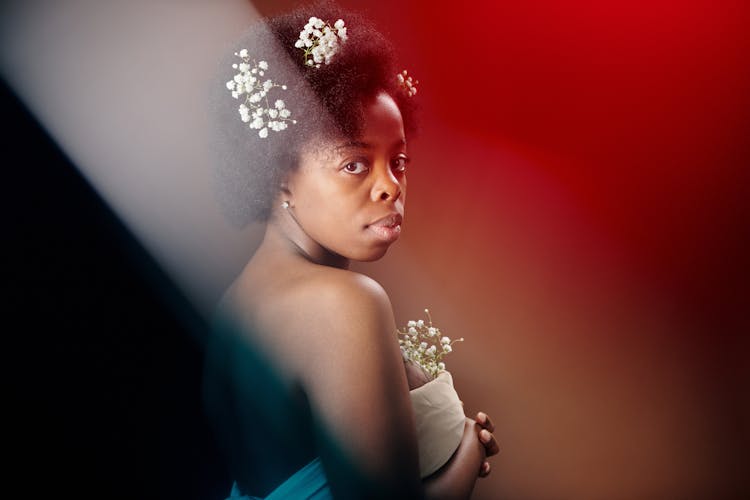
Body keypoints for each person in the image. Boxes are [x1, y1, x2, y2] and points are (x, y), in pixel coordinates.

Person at [203, 2, 499, 498]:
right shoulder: (346, 303)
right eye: (355, 165)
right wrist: (472, 444)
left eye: (398, 161)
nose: (391, 187)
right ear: (279, 175)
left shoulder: (234, 310)